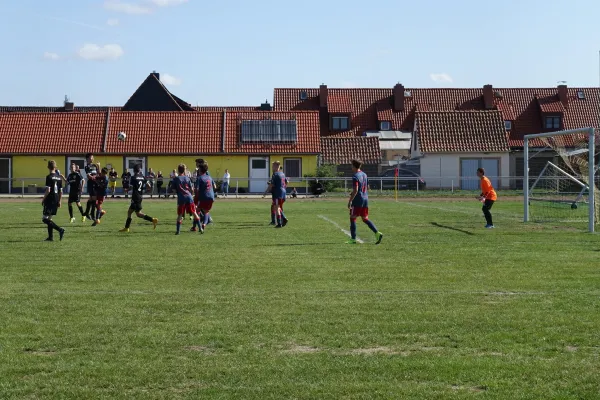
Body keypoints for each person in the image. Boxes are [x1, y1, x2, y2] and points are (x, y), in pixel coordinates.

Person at [347, 159, 383, 245]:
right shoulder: (364, 174)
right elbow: (367, 187)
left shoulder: (355, 176)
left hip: (358, 200)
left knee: (352, 218)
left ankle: (353, 239)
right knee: (365, 218)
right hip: (365, 199)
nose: (351, 166)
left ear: (354, 166)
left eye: (351, 165)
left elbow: (356, 190)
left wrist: (350, 201)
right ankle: (377, 233)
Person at [119, 164, 158, 232]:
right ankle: (153, 220)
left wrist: (126, 190)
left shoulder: (133, 177)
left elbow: (131, 187)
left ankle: (126, 228)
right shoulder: (143, 177)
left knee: (129, 212)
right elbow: (149, 185)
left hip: (135, 197)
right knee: (138, 214)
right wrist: (146, 189)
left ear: (134, 170)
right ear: (139, 170)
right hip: (140, 196)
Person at [173, 164, 201, 235]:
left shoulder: (176, 179)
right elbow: (192, 189)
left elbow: (173, 189)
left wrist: (177, 191)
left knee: (180, 215)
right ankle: (200, 228)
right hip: (189, 197)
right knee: (194, 212)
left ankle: (178, 231)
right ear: (184, 170)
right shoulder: (187, 178)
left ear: (178, 170)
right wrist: (192, 195)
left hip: (181, 198)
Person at [42, 160, 65, 241]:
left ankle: (60, 230)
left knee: (45, 219)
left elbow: (48, 190)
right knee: (50, 219)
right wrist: (60, 201)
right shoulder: (59, 178)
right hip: (56, 199)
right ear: (55, 167)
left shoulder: (48, 177)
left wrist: (43, 199)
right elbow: (61, 191)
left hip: (50, 199)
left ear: (48, 167)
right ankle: (50, 237)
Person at [265, 161, 288, 228]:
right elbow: (286, 182)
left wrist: (266, 192)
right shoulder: (282, 173)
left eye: (273, 166)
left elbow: (272, 184)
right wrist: (283, 188)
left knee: (277, 207)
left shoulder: (275, 174)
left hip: (277, 193)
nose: (272, 168)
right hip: (283, 192)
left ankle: (280, 223)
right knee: (276, 206)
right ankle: (278, 220)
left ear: (276, 167)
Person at [193, 161, 215, 234]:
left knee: (196, 211)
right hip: (211, 197)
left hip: (203, 197)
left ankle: (196, 226)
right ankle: (204, 224)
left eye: (198, 169)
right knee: (206, 212)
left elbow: (197, 189)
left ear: (200, 170)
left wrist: (195, 196)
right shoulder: (209, 177)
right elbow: (213, 186)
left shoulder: (199, 178)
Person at [82, 153, 99, 222]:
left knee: (91, 199)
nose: (92, 158)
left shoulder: (95, 165)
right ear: (87, 159)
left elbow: (99, 173)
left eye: (92, 157)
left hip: (96, 183)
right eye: (91, 157)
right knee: (94, 199)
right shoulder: (87, 167)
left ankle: (86, 212)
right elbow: (89, 176)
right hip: (91, 184)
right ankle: (92, 214)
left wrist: (99, 166)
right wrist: (95, 177)